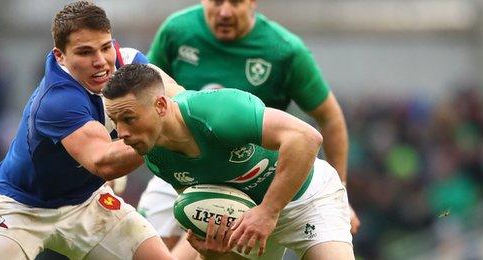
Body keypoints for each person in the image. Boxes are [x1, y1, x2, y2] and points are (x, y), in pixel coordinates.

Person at [140, 0, 359, 250]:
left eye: (235, 2)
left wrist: (341, 191)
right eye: (217, 2)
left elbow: (328, 118)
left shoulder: (283, 50)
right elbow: (144, 93)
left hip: (251, 175)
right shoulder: (176, 31)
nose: (224, 11)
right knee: (148, 249)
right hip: (183, 168)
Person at [0, 2, 175, 259]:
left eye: (105, 47)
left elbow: (177, 105)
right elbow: (104, 162)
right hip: (20, 208)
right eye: (85, 52)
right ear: (60, 56)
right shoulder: (57, 100)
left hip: (86, 202)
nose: (100, 62)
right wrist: (156, 130)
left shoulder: (131, 65)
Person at [103, 64, 354, 259]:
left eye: (129, 118)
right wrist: (213, 253)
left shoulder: (218, 112)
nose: (122, 133)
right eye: (116, 122)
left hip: (306, 198)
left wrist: (268, 211)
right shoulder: (155, 156)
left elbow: (306, 138)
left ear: (160, 105)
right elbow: (217, 239)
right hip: (248, 221)